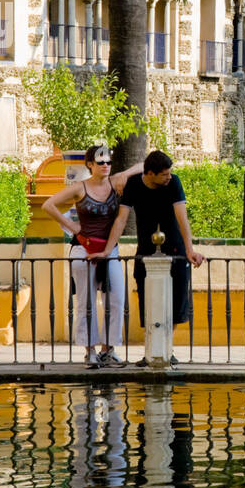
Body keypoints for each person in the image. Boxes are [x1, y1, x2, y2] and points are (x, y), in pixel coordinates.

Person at [95, 150, 206, 365]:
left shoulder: (173, 183)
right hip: (146, 248)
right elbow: (121, 219)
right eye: (164, 174)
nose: (169, 177)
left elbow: (182, 217)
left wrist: (190, 250)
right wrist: (108, 250)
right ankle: (151, 350)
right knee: (147, 299)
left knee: (175, 301)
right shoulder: (134, 185)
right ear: (151, 173)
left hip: (176, 248)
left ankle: (167, 348)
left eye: (169, 173)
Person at [42, 145, 143, 368]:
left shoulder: (116, 181)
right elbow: (48, 205)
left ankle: (109, 349)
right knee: (86, 301)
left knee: (116, 298)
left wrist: (124, 174)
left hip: (110, 249)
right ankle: (90, 350)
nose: (106, 165)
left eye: (108, 162)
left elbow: (145, 164)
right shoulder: (80, 188)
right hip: (84, 248)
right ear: (90, 165)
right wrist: (71, 226)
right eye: (100, 162)